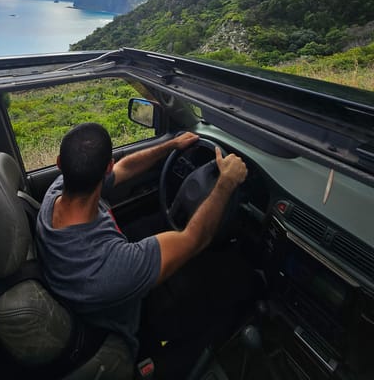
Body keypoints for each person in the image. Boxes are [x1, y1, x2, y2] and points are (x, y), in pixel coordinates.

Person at [36, 122, 248, 374]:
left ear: (60, 163)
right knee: (239, 287)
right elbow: (195, 239)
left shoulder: (56, 190)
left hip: (98, 294)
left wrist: (171, 145)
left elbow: (126, 167)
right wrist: (226, 183)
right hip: (129, 322)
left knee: (153, 225)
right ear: (107, 167)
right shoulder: (109, 264)